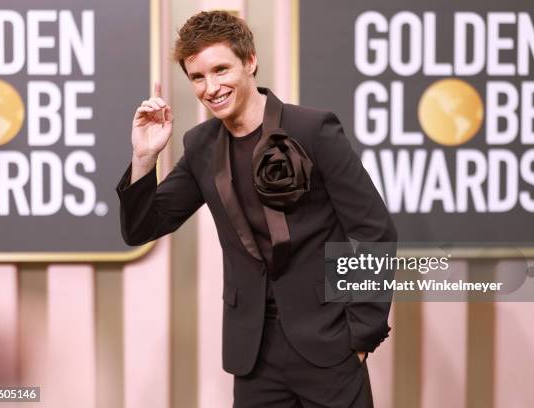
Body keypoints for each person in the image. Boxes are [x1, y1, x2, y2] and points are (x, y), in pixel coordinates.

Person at [116, 10, 397, 408]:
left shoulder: (314, 130)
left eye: (221, 69)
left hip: (330, 345)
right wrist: (144, 158)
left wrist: (361, 338)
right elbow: (141, 228)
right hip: (254, 356)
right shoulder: (201, 146)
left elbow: (373, 231)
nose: (211, 87)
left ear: (249, 62)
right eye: (198, 77)